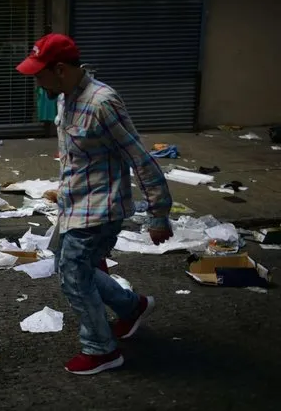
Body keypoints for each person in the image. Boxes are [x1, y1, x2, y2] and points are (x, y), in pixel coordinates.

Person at [16, 33, 173, 375]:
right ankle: (132, 307)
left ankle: (101, 349)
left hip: (101, 208)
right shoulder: (63, 98)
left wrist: (159, 215)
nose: (35, 81)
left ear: (59, 70)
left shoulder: (102, 102)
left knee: (73, 275)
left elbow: (140, 158)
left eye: (39, 74)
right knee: (71, 266)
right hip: (74, 205)